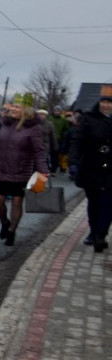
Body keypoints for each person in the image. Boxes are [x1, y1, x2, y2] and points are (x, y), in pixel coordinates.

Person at [0, 96, 49, 246]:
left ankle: (12, 231)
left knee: (17, 203)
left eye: (17, 107)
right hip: (0, 169)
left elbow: (39, 151)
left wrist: (43, 170)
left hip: (21, 171)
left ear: (26, 110)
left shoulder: (33, 128)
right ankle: (5, 222)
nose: (13, 109)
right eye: (13, 106)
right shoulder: (4, 123)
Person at [68, 85, 112, 252]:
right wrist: (73, 162)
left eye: (109, 103)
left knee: (108, 202)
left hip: (110, 168)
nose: (106, 105)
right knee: (94, 202)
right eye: (104, 102)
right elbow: (77, 141)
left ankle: (101, 234)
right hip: (91, 166)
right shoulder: (88, 119)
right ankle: (93, 232)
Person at [36, 109, 59, 176]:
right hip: (35, 144)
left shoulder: (49, 124)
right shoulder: (34, 123)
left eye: (43, 114)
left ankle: (42, 175)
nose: (41, 116)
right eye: (39, 114)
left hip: (45, 145)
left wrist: (55, 146)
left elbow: (53, 136)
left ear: (45, 116)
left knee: (42, 160)